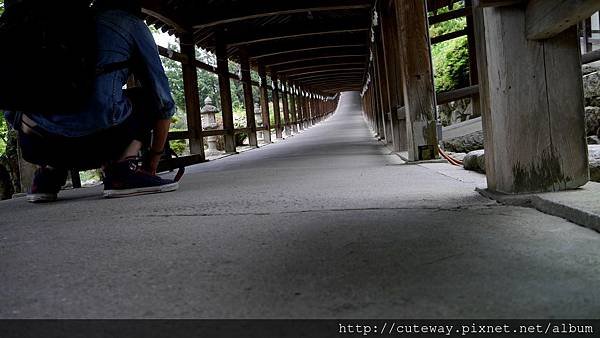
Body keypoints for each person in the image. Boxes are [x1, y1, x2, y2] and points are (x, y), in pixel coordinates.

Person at [3, 0, 180, 202]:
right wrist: (151, 164)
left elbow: (11, 101)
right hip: (103, 143)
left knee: (53, 101)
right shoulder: (129, 23)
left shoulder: (50, 21)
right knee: (146, 97)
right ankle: (122, 173)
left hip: (38, 145)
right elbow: (163, 102)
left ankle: (47, 177)